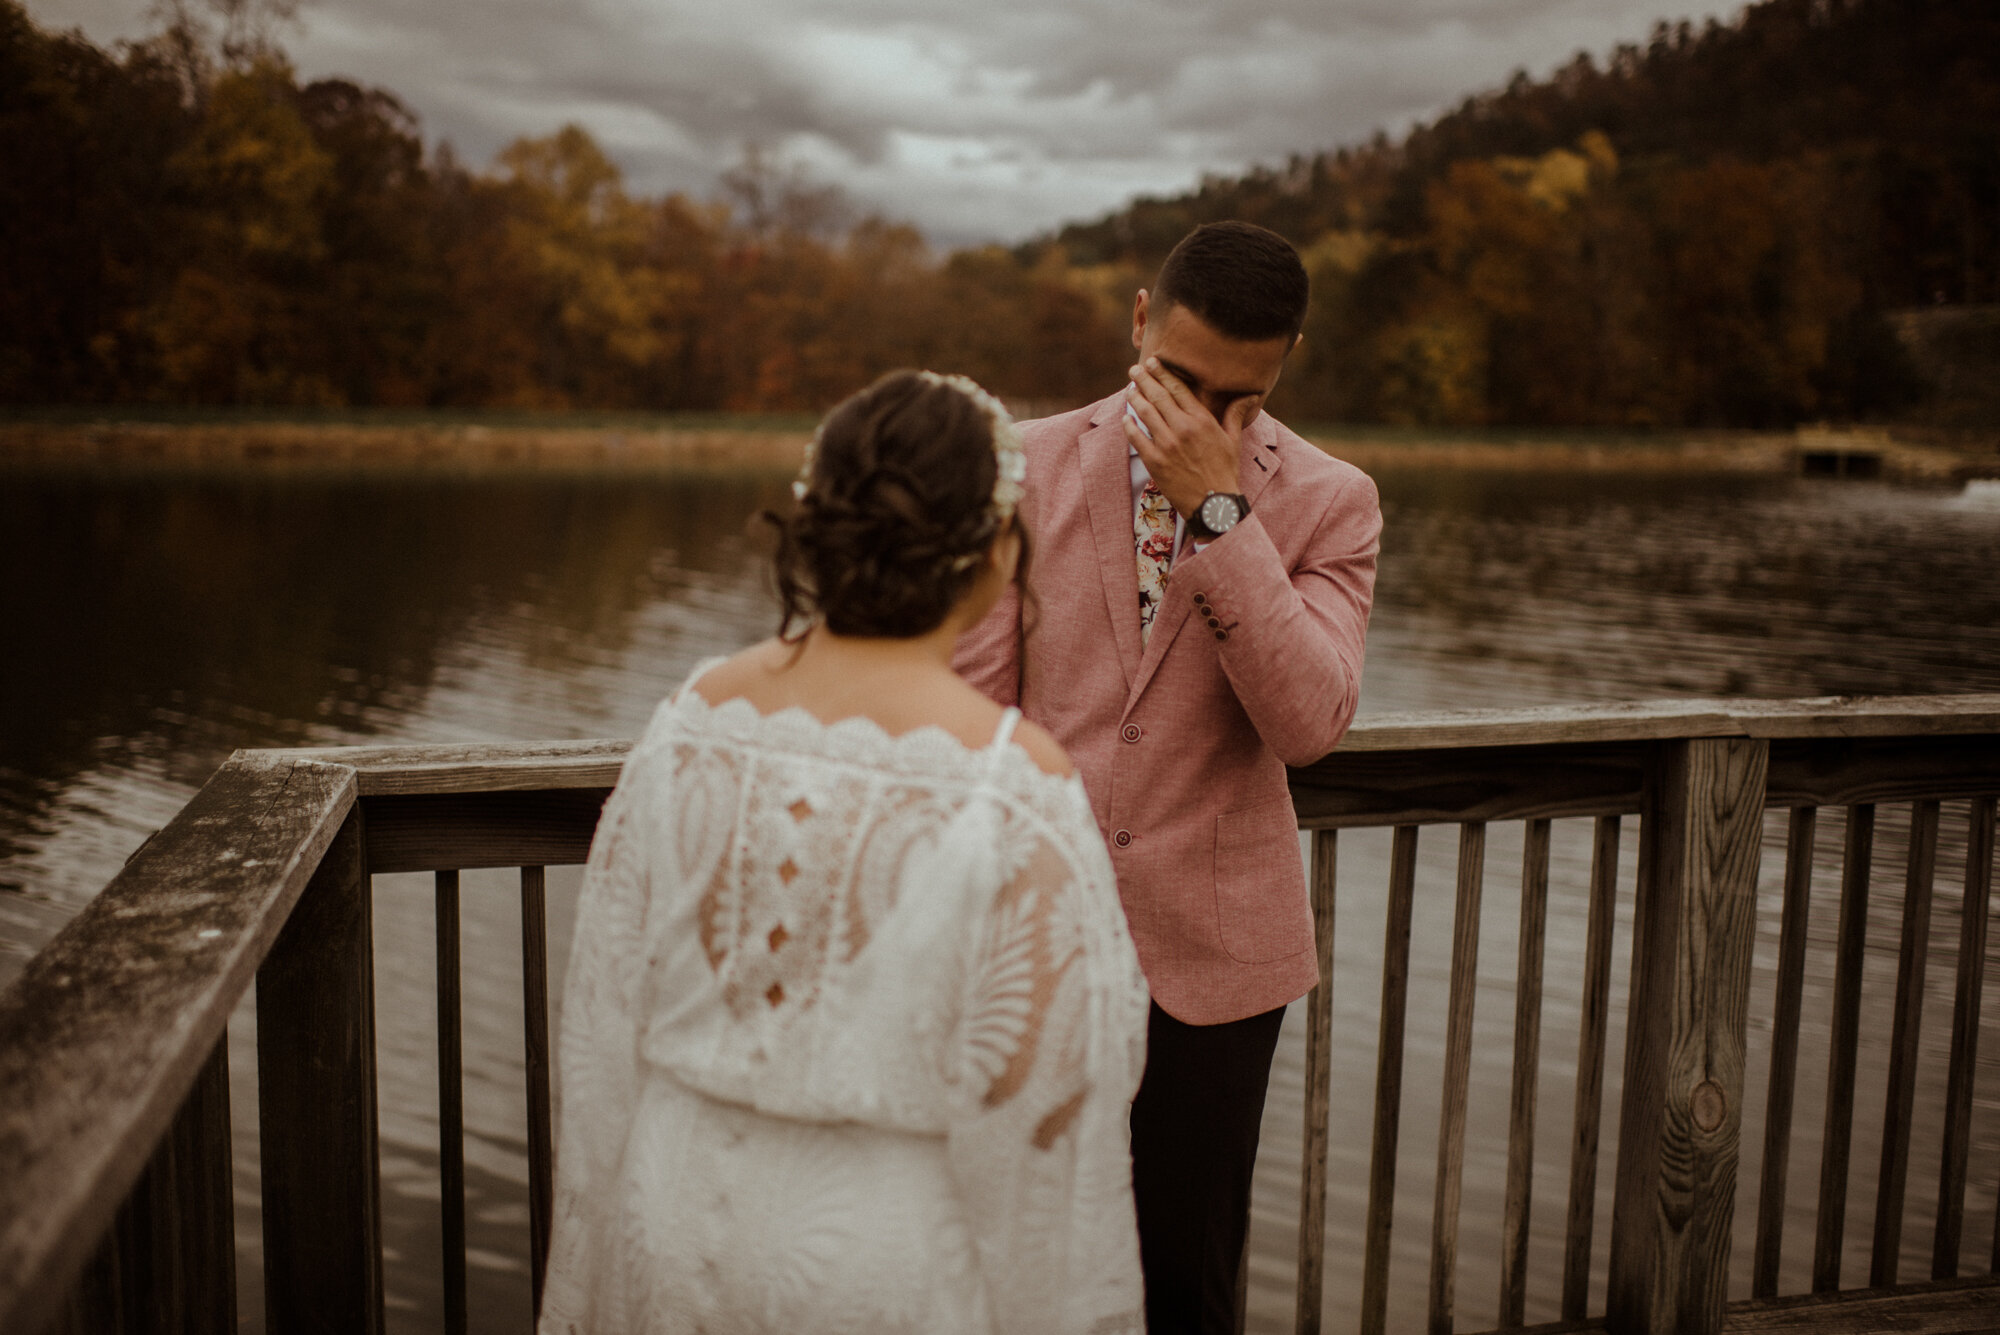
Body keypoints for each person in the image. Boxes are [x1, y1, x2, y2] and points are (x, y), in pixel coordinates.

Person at [537, 369, 1150, 1335]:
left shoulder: (694, 715)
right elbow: (1043, 1103)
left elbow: (606, 1001)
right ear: (995, 550)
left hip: (671, 1204)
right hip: (873, 1259)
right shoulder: (1010, 781)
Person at [954, 220, 1382, 1334]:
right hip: (1032, 954)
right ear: (1138, 319)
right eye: (1177, 378)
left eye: (1236, 396)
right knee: (1012, 1278)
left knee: (1184, 1291)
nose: (1200, 415)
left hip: (1216, 972)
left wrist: (1220, 510)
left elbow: (1309, 722)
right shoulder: (1021, 464)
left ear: (1284, 359)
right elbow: (971, 719)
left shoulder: (1334, 501)